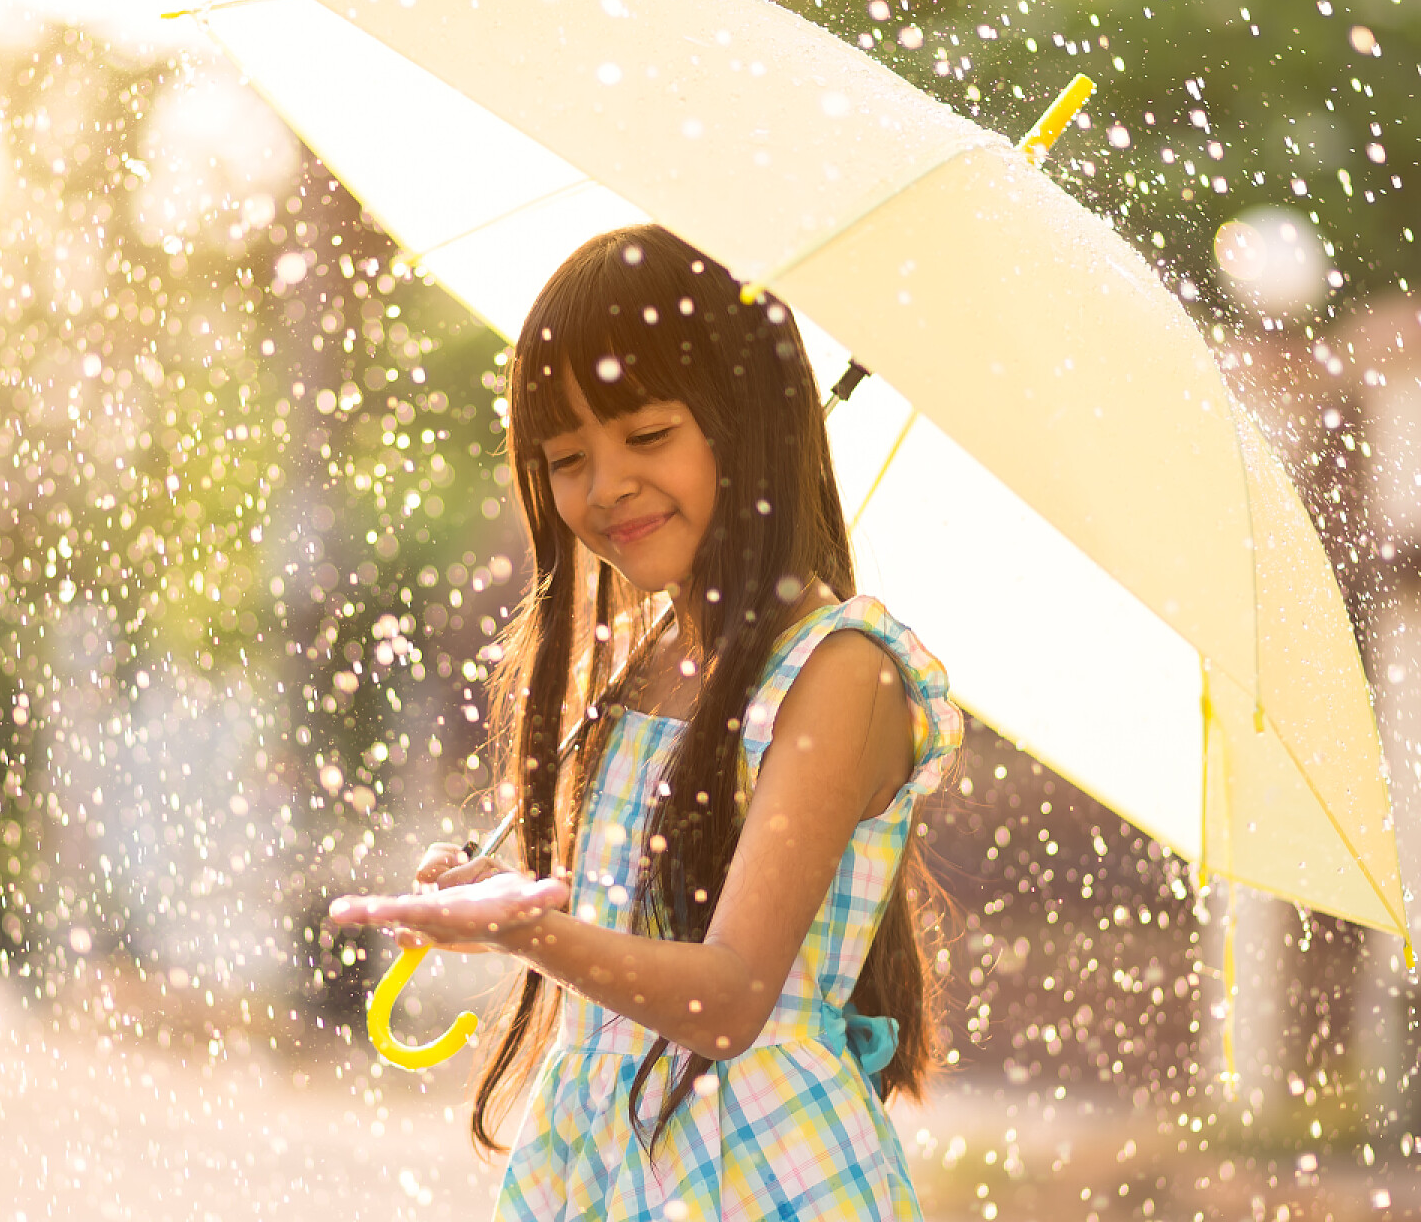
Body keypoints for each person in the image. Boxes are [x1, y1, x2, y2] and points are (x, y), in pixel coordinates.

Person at [328, 223, 964, 1221]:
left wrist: (529, 928)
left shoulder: (838, 673)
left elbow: (729, 994)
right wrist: (512, 903)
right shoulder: (642, 665)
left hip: (758, 1166)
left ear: (748, 424)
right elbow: (634, 928)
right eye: (567, 455)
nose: (606, 483)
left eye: (649, 435)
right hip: (608, 1154)